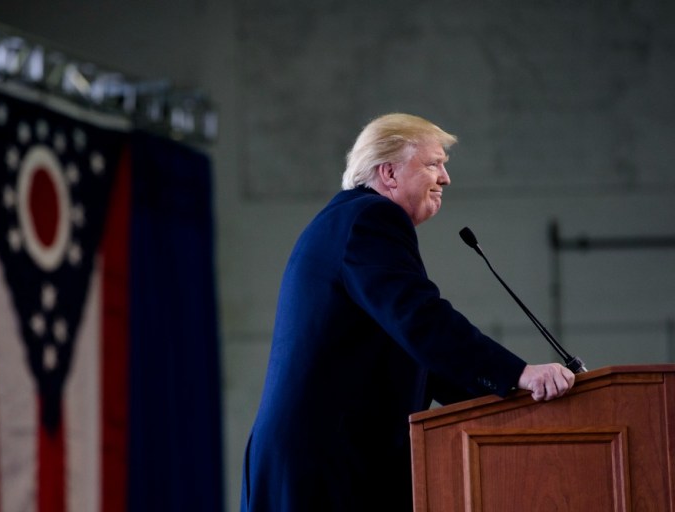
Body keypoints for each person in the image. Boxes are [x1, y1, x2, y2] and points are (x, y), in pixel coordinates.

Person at [239, 113, 575, 511]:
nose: (446, 178)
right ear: (389, 173)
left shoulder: (346, 220)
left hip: (317, 461)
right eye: (433, 164)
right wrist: (519, 373)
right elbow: (420, 321)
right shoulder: (370, 218)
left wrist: (517, 400)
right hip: (325, 467)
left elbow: (418, 353)